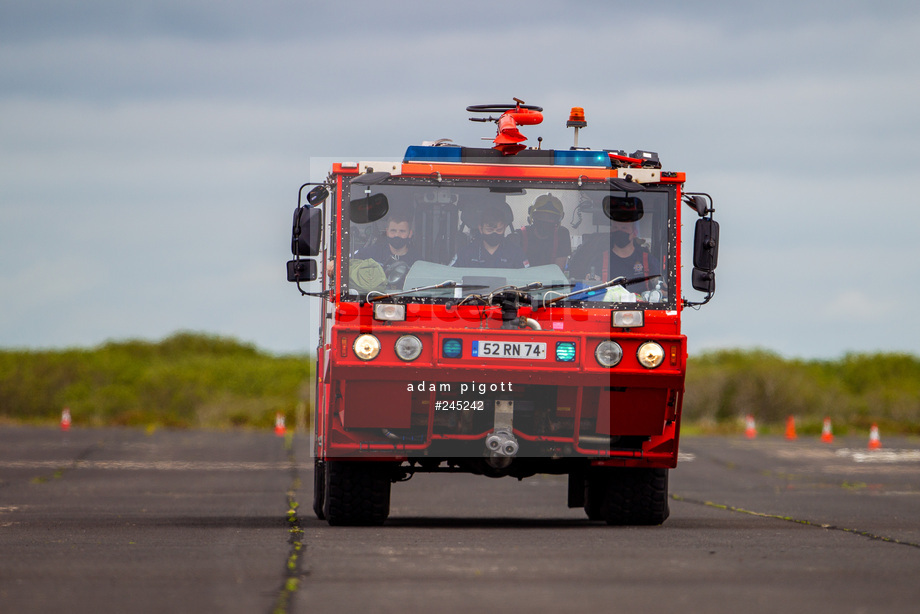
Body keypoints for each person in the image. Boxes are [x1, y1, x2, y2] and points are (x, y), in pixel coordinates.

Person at [567, 220, 657, 289]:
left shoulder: (648, 261)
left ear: (634, 233)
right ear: (611, 231)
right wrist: (590, 283)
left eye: (624, 228)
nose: (619, 231)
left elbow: (659, 289)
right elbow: (589, 291)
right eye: (615, 228)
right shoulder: (599, 260)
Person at [452, 206, 528, 269]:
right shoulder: (465, 253)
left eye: (499, 230)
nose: (494, 233)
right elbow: (450, 276)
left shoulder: (516, 253)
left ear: (504, 228)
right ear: (480, 229)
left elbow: (527, 279)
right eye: (489, 230)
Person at [517, 193, 571, 269]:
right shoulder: (519, 236)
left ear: (558, 219)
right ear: (533, 216)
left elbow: (558, 271)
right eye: (541, 216)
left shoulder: (562, 235)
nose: (545, 220)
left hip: (550, 279)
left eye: (550, 217)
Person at [352, 212, 420, 268]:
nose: (397, 235)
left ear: (410, 233)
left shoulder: (417, 262)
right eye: (393, 231)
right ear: (387, 232)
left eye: (402, 231)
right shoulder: (371, 253)